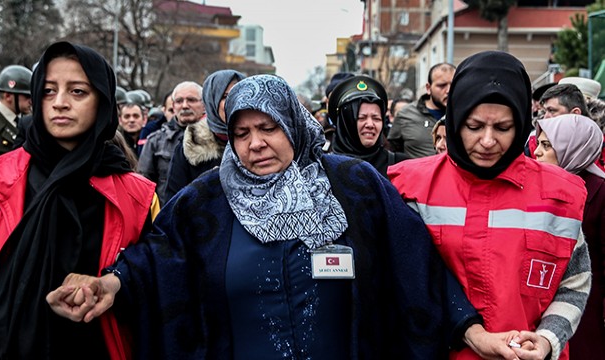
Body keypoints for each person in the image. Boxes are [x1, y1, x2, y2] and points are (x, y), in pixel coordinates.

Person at [47, 74, 497, 359]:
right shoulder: (207, 198)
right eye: (241, 133)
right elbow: (158, 256)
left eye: (268, 128)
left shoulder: (354, 185)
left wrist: (471, 331)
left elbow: (414, 258)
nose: (255, 144)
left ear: (294, 125)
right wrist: (108, 283)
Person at [0, 41, 156, 359]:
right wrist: (42, 303)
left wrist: (109, 286)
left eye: (77, 92)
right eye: (47, 91)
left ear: (102, 100)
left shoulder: (137, 196)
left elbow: (154, 277)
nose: (59, 103)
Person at [388, 51, 592, 360]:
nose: (486, 141)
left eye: (502, 128)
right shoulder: (410, 187)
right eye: (473, 126)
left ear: (523, 124)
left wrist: (548, 338)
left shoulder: (561, 194)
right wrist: (473, 335)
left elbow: (574, 281)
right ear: (455, 119)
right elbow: (408, 281)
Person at [533, 114, 605, 360]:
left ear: (572, 147)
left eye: (546, 146)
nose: (537, 153)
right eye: (538, 144)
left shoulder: (600, 191)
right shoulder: (538, 189)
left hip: (587, 309)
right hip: (539, 306)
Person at [164, 69, 245, 203]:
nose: (232, 101)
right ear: (212, 100)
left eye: (237, 94)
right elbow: (174, 202)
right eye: (224, 97)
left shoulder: (259, 142)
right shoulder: (191, 143)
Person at [138, 81, 205, 204]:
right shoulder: (155, 141)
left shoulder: (216, 139)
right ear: (173, 107)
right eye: (179, 101)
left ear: (204, 104)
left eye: (191, 100)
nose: (185, 105)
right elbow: (143, 186)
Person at [328, 75, 408, 177]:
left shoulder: (400, 164)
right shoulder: (325, 167)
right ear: (346, 123)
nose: (370, 125)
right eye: (361, 118)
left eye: (376, 118)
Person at [388, 63, 455, 158]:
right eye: (442, 85)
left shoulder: (465, 115)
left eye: (453, 85)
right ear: (428, 88)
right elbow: (391, 150)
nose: (448, 90)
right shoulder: (406, 114)